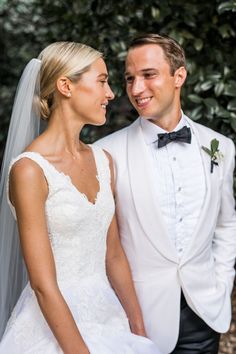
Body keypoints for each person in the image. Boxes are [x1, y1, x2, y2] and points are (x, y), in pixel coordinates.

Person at [0, 41, 161, 353]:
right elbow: (43, 285)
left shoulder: (104, 161)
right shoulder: (30, 171)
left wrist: (139, 332)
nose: (111, 93)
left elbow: (113, 255)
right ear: (65, 86)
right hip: (53, 328)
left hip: (109, 318)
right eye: (102, 81)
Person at [96, 33, 236, 354]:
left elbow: (226, 224)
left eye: (148, 75)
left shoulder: (221, 147)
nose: (136, 89)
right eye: (130, 78)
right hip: (134, 322)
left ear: (179, 76)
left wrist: (222, 283)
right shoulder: (104, 153)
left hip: (204, 313)